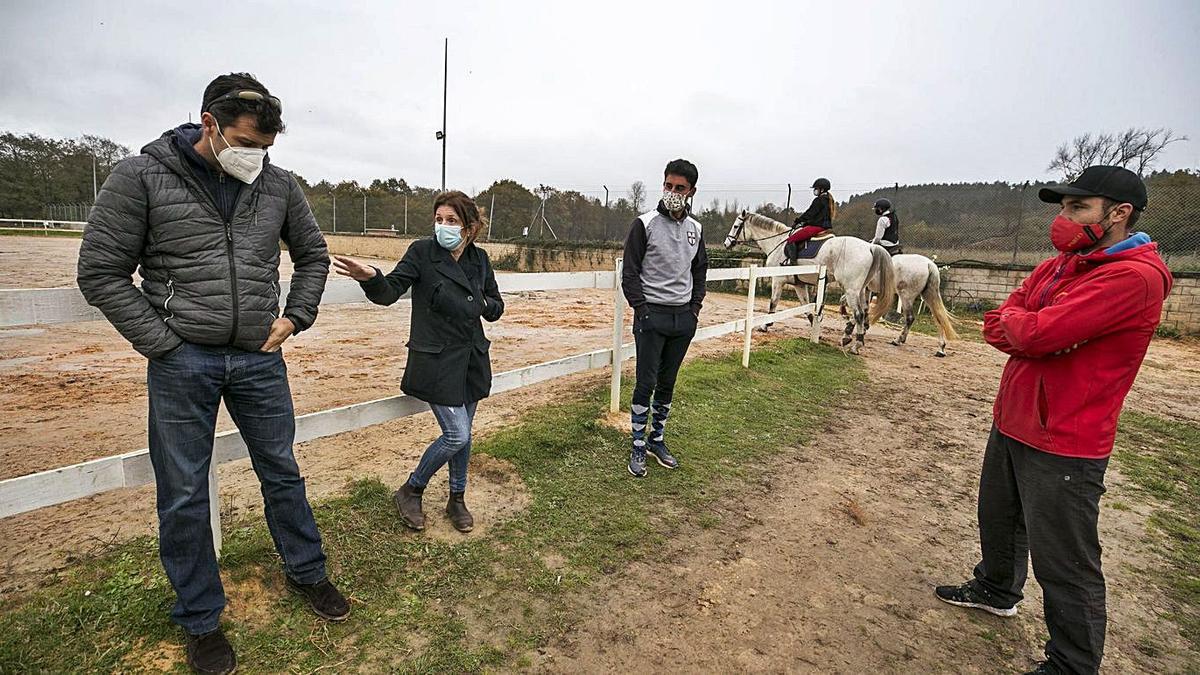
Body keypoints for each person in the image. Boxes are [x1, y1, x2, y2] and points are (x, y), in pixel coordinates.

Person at [77, 73, 347, 675]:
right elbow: (100, 272)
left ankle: (308, 573)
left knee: (281, 469)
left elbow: (313, 255)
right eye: (247, 143)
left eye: (266, 148)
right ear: (209, 124)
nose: (256, 158)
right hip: (183, 363)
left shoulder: (277, 185)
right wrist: (165, 345)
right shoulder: (141, 177)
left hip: (259, 358)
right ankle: (200, 619)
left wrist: (295, 316)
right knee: (182, 492)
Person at [934, 165, 1172, 675]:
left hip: (1066, 436)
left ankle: (1073, 663)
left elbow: (1037, 333)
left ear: (1119, 213)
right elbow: (1003, 321)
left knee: (1065, 559)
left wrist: (1030, 328)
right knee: (998, 517)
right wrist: (1027, 327)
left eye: (1077, 207)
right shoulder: (1062, 263)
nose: (1063, 218)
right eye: (1062, 207)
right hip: (1015, 416)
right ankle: (997, 589)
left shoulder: (1133, 276)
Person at [332, 191, 503, 533]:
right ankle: (412, 488)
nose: (443, 227)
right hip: (436, 361)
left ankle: (457, 498)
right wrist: (370, 276)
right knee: (456, 435)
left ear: (469, 228)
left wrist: (479, 304)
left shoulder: (479, 259)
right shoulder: (422, 253)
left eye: (451, 221)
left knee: (464, 436)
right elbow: (390, 291)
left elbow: (495, 306)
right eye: (439, 220)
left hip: (471, 359)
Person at [621, 158, 708, 478]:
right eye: (668, 185)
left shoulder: (696, 229)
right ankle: (638, 445)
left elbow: (700, 271)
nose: (673, 192)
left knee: (668, 383)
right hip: (651, 317)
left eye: (680, 188)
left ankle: (657, 440)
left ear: (692, 191)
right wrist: (642, 311)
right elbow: (629, 273)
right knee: (646, 382)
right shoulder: (643, 224)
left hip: (682, 319)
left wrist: (694, 309)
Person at [784, 177, 837, 262]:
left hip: (817, 227)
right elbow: (817, 216)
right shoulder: (828, 199)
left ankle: (793, 263)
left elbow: (810, 213)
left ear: (822, 189)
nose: (815, 190)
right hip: (824, 227)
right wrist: (806, 223)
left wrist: (798, 220)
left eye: (816, 188)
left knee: (791, 240)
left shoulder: (819, 200)